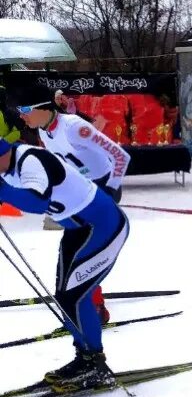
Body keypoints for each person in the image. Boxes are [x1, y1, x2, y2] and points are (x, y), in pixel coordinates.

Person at [0, 138, 129, 390]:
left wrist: (2, 191)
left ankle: (94, 363)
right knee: (64, 298)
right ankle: (84, 357)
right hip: (77, 231)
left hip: (104, 227)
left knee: (76, 298)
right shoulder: (7, 169)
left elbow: (36, 202)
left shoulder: (31, 160)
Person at [15, 86, 131, 322]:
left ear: (42, 107)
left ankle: (94, 305)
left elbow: (120, 156)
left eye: (25, 109)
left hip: (103, 187)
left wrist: (109, 189)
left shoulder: (74, 127)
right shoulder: (44, 131)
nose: (21, 115)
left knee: (86, 249)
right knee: (78, 247)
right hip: (81, 192)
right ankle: (87, 295)